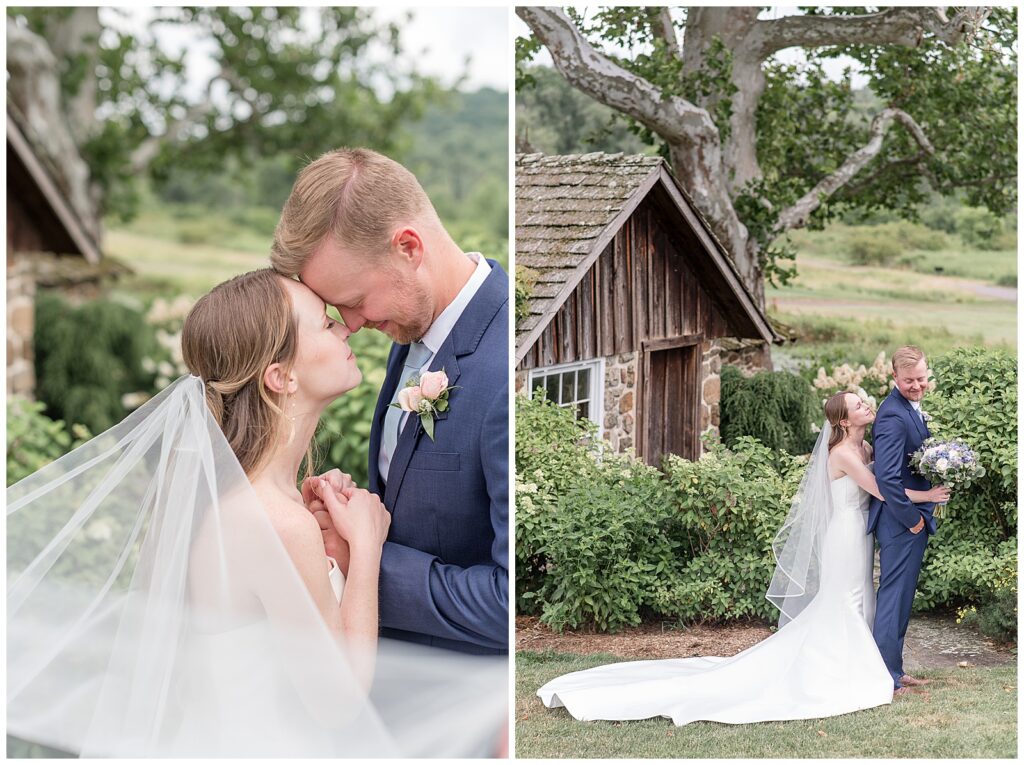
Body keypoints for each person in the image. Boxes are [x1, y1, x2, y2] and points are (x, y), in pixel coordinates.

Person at [7, 269, 505, 757]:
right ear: (280, 376)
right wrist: (368, 545)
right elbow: (339, 701)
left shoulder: (254, 504)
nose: (345, 327)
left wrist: (334, 542)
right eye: (324, 322)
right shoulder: (278, 523)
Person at [536, 391, 949, 725]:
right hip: (843, 535)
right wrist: (928, 495)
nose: (867, 405)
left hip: (858, 534)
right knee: (845, 599)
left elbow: (890, 474)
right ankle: (849, 670)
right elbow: (882, 490)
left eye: (864, 401)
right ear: (843, 421)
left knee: (862, 596)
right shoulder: (841, 453)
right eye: (858, 404)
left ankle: (870, 667)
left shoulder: (868, 445)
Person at [270, 147, 509, 656]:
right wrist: (348, 515)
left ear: (408, 246)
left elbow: (512, 602)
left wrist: (364, 558)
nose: (351, 324)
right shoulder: (413, 331)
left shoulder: (505, 364)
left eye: (355, 301)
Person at [869, 346, 944, 692]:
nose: (917, 386)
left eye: (922, 379)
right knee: (894, 597)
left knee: (902, 597)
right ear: (894, 378)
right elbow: (886, 479)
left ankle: (894, 670)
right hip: (900, 521)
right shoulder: (891, 416)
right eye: (909, 380)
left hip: (911, 519)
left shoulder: (910, 408)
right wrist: (913, 518)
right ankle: (885, 675)